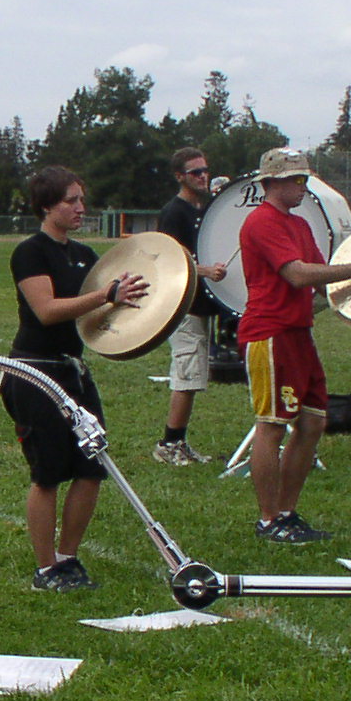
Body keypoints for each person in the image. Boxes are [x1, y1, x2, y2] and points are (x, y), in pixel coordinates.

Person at [238, 148, 351, 543]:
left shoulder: (301, 226)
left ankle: (288, 513)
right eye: (295, 180)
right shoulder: (261, 222)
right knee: (272, 424)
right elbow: (297, 274)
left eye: (304, 179)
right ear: (271, 181)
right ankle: (268, 519)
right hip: (270, 332)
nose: (302, 186)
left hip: (298, 332)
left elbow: (324, 277)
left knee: (312, 423)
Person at [7, 166, 148, 587]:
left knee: (92, 467)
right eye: (71, 200)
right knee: (48, 473)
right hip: (35, 372)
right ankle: (46, 567)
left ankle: (68, 559)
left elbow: (94, 313)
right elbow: (47, 311)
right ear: (47, 205)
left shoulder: (86, 255)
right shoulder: (30, 252)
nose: (81, 208)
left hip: (74, 371)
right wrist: (104, 295)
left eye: (82, 200)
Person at [152, 147, 227, 466]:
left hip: (205, 304)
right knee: (187, 376)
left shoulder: (209, 208)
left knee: (193, 377)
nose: (203, 176)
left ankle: (179, 442)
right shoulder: (174, 213)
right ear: (180, 176)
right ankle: (168, 445)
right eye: (196, 172)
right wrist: (205, 270)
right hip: (182, 307)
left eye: (205, 170)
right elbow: (167, 261)